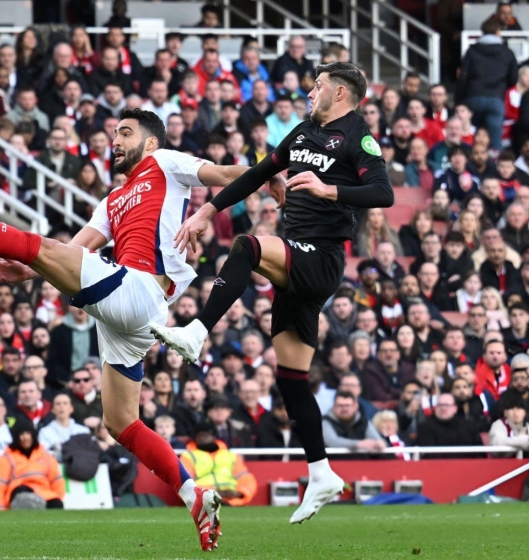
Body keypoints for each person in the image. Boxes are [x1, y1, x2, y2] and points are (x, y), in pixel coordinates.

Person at [0, 109, 253, 549]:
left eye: (125, 132)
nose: (115, 139)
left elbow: (227, 172)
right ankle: (194, 493)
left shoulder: (166, 162)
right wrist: (32, 271)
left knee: (44, 247)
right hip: (128, 312)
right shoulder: (111, 200)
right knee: (121, 422)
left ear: (150, 142)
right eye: (114, 133)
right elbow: (72, 251)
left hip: (141, 290)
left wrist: (272, 176)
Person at [151, 62, 393, 523]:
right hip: (299, 262)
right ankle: (321, 473)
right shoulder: (302, 132)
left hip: (321, 257)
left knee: (248, 245)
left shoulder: (358, 135)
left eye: (318, 86)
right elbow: (259, 173)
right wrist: (206, 213)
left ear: (340, 93)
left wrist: (328, 190)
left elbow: (382, 193)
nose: (310, 92)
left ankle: (198, 331)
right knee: (291, 378)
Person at [455, 19, 518, 151]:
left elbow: (463, 77)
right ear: (497, 32)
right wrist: (501, 87)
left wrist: (459, 100)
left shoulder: (471, 51)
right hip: (496, 99)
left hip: (473, 98)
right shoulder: (507, 52)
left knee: (471, 138)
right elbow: (513, 78)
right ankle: (495, 168)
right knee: (495, 143)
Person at [0, 417, 64, 510]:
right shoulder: (6, 458)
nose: (25, 437)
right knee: (23, 494)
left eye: (28, 433)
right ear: (16, 437)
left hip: (44, 494)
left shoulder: (46, 456)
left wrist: (58, 498)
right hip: (18, 493)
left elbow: (57, 481)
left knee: (56, 504)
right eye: (21, 434)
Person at [179, 420, 257, 507]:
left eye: (206, 435)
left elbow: (246, 479)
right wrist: (213, 493)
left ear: (214, 436)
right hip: (204, 503)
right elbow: (184, 484)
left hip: (232, 501)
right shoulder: (188, 457)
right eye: (199, 435)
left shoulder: (230, 455)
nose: (202, 438)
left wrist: (241, 493)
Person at [321, 390, 386, 453]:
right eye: (340, 405)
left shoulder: (363, 422)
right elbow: (332, 442)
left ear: (355, 406)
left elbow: (377, 440)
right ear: (334, 407)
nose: (344, 409)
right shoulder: (326, 422)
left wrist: (379, 443)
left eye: (348, 405)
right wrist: (358, 444)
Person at [38, 393, 91, 461]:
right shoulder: (44, 432)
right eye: (58, 404)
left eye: (65, 403)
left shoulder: (83, 431)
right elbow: (43, 453)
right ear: (53, 409)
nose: (61, 406)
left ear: (71, 409)